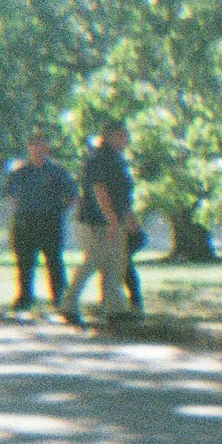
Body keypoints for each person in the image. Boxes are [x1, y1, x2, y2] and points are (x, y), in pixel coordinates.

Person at [64, 121, 142, 324]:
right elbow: (100, 190)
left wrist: (128, 219)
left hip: (114, 219)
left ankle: (114, 308)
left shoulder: (117, 159)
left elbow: (122, 194)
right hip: (96, 221)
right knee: (94, 261)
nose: (125, 140)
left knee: (116, 263)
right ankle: (68, 304)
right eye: (121, 135)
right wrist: (113, 220)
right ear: (109, 136)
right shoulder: (98, 158)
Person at [4, 131, 78, 311]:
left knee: (54, 262)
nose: (39, 149)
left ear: (48, 147)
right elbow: (12, 196)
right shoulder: (19, 172)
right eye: (35, 145)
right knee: (25, 263)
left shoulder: (58, 172)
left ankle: (59, 299)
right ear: (29, 147)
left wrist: (58, 210)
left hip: (50, 221)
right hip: (25, 222)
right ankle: (24, 298)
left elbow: (71, 196)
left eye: (43, 145)